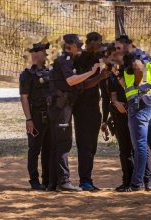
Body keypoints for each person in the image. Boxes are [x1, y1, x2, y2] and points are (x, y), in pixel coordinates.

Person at [115, 35, 151, 192]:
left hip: (140, 105)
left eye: (119, 47)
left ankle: (136, 183)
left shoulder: (132, 57)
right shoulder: (148, 56)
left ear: (129, 45)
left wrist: (139, 85)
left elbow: (138, 69)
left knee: (140, 145)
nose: (117, 51)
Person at [48, 34, 100, 192]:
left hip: (62, 105)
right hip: (61, 105)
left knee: (58, 143)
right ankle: (64, 181)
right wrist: (92, 72)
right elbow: (71, 81)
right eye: (78, 44)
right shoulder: (65, 59)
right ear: (70, 46)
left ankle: (53, 182)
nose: (81, 47)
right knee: (63, 143)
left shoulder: (67, 59)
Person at [100, 44, 151, 192]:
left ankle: (147, 180)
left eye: (110, 55)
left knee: (140, 147)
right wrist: (113, 106)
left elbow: (135, 85)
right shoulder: (107, 75)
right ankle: (127, 181)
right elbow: (109, 96)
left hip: (135, 110)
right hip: (119, 114)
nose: (108, 59)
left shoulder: (128, 68)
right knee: (125, 150)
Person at [72, 32, 111, 191]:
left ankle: (87, 178)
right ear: (89, 43)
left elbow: (111, 49)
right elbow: (84, 85)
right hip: (81, 109)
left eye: (100, 44)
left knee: (92, 147)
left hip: (94, 108)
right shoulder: (79, 59)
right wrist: (100, 77)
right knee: (84, 147)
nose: (98, 48)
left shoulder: (97, 57)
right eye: (96, 44)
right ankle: (85, 180)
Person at [19, 42, 51, 190]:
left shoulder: (50, 72)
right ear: (36, 55)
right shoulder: (27, 75)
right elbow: (24, 97)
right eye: (44, 52)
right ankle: (34, 180)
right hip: (36, 117)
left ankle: (47, 179)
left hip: (51, 116)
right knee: (34, 149)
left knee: (48, 149)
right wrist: (29, 119)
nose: (46, 54)